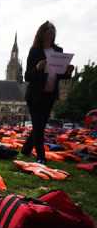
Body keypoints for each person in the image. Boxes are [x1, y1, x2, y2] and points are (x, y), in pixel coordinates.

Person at [21, 21, 74, 164]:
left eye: (52, 34)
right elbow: (27, 76)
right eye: (48, 33)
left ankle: (26, 149)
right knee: (38, 126)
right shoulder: (35, 51)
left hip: (50, 94)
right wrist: (38, 67)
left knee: (40, 126)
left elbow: (60, 74)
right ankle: (41, 157)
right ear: (42, 34)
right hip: (35, 95)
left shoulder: (58, 50)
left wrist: (68, 72)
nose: (50, 36)